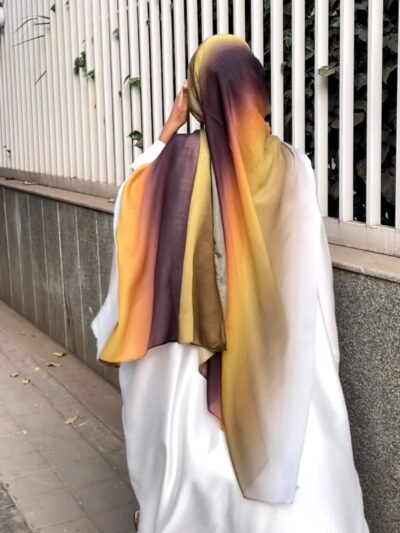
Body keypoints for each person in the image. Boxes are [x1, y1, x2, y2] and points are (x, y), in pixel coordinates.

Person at [91, 35, 369, 533]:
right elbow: (312, 268)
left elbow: (130, 209)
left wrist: (169, 128)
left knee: (191, 449)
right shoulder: (294, 166)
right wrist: (323, 348)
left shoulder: (175, 164)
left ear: (198, 92)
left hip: (197, 342)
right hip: (274, 340)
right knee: (301, 443)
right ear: (255, 88)